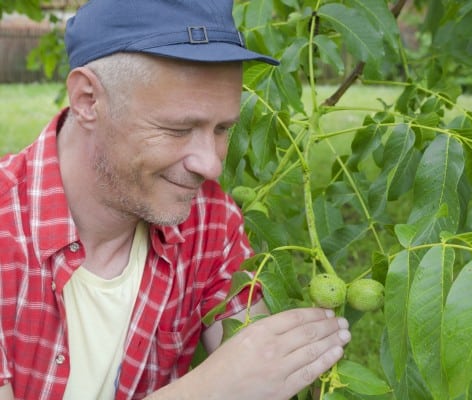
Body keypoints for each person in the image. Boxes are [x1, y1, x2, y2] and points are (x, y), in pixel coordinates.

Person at [0, 1, 351, 399]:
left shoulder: (210, 219)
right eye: (179, 128)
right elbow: (232, 382)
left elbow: (256, 357)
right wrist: (208, 390)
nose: (211, 165)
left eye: (222, 129)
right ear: (87, 100)